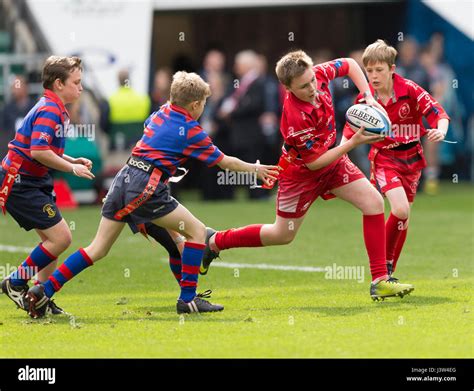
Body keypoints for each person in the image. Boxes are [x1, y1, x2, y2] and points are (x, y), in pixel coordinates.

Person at [23, 71, 278, 318]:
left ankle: (43, 289)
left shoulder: (161, 113)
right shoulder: (190, 128)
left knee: (98, 248)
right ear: (196, 104)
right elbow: (225, 162)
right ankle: (188, 300)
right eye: (203, 105)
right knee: (198, 232)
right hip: (145, 186)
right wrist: (254, 169)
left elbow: (156, 143)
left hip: (123, 179)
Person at [201, 50, 415, 301]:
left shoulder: (317, 74)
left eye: (312, 79)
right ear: (288, 88)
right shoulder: (294, 116)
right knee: (282, 235)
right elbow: (314, 164)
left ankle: (380, 280)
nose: (312, 87)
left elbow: (348, 64)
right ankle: (214, 241)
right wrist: (353, 142)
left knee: (374, 202)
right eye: (304, 86)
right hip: (301, 174)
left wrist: (368, 95)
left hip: (333, 162)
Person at [341, 40, 450, 279]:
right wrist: (336, 157)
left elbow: (438, 113)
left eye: (379, 70)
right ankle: (382, 266)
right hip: (383, 158)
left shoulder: (410, 89)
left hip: (412, 159)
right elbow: (347, 135)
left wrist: (440, 131)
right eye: (368, 71)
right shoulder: (363, 101)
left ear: (392, 69)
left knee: (404, 217)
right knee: (399, 209)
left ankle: (389, 269)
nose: (373, 76)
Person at [0, 56, 94, 314]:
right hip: (20, 180)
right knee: (61, 238)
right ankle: (16, 281)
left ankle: (38, 298)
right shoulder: (51, 109)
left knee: (51, 242)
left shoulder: (54, 106)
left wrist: (71, 158)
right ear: (58, 84)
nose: (81, 88)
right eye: (76, 82)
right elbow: (38, 151)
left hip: (32, 179)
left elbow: (44, 148)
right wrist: (71, 168)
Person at [0, 75, 36, 158]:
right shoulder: (7, 109)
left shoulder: (35, 107)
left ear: (26, 87)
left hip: (32, 148)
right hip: (12, 150)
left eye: (18, 85)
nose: (15, 89)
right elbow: (3, 133)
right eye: (13, 86)